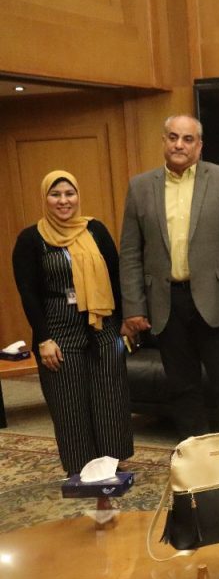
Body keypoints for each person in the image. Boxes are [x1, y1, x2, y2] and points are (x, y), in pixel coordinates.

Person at [120, 114, 219, 439]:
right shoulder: (141, 186)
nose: (179, 145)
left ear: (199, 145)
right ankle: (196, 457)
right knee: (182, 389)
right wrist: (133, 306)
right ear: (164, 141)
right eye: (173, 137)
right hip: (166, 303)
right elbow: (130, 252)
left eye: (187, 139)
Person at [12, 170, 133, 475]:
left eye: (69, 193)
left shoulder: (95, 230)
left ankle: (113, 462)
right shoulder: (31, 239)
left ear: (78, 196)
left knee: (110, 396)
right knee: (68, 402)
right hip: (58, 327)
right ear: (45, 198)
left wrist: (123, 322)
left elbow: (116, 277)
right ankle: (81, 468)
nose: (63, 201)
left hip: (102, 325)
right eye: (55, 194)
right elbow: (28, 293)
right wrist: (43, 339)